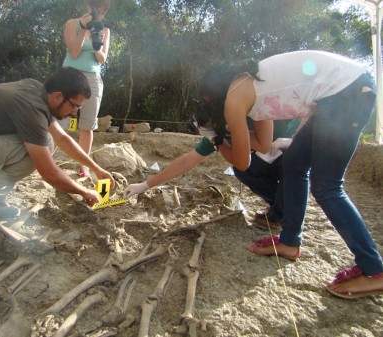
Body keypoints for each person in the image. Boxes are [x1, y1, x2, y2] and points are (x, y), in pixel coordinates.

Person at [192, 50, 383, 299]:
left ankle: (374, 270)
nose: (209, 107)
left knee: (327, 186)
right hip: (339, 92)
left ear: (215, 93)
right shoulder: (252, 86)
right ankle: (290, 242)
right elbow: (262, 143)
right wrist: (221, 135)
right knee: (294, 163)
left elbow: (241, 161)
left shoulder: (233, 99)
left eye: (207, 101)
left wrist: (216, 140)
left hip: (345, 93)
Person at [0, 67, 115, 219]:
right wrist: (85, 192)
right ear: (59, 96)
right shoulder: (32, 108)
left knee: (49, 141)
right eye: (75, 106)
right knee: (36, 150)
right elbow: (49, 173)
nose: (74, 113)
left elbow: (63, 139)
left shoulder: (36, 90)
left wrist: (96, 168)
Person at [123, 118, 300, 233]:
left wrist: (292, 142)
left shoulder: (260, 116)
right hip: (268, 159)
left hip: (296, 152)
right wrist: (145, 185)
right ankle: (278, 208)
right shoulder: (218, 134)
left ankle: (287, 217)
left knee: (292, 164)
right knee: (242, 168)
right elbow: (187, 161)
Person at [60, 0, 111, 178]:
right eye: (99, 10)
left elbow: (102, 59)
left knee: (87, 125)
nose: (101, 14)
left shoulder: (105, 31)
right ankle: (45, 159)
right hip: (70, 75)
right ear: (89, 7)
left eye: (104, 12)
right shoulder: (72, 23)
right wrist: (84, 28)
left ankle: (83, 166)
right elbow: (73, 52)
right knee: (59, 121)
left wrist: (98, 43)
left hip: (93, 78)